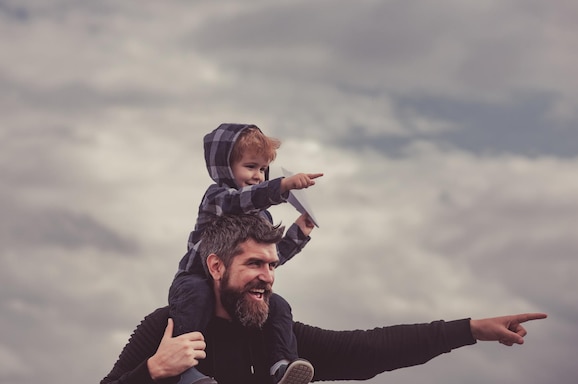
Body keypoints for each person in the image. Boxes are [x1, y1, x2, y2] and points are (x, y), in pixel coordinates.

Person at [101, 214, 548, 384]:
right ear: (216, 267)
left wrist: (469, 330)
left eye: (273, 266)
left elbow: (367, 349)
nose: (268, 277)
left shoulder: (279, 338)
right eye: (255, 264)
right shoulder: (165, 329)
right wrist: (153, 371)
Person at [169, 124, 323, 384]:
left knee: (279, 305)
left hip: (235, 288)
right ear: (225, 167)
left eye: (263, 170)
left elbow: (267, 260)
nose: (258, 176)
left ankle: (280, 365)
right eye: (250, 167)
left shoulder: (262, 217)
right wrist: (282, 186)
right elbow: (242, 200)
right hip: (195, 279)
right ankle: (185, 371)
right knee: (197, 296)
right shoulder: (217, 198)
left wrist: (299, 232)